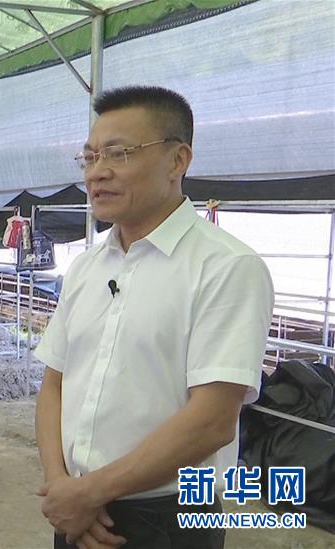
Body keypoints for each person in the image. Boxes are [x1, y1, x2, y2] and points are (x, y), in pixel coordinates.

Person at [34, 86, 274, 549]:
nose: (97, 172)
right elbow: (55, 384)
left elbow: (212, 420)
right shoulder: (86, 267)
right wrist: (60, 484)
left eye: (118, 153)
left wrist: (90, 493)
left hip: (170, 517)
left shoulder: (226, 267)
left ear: (177, 160)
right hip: (76, 508)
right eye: (89, 157)